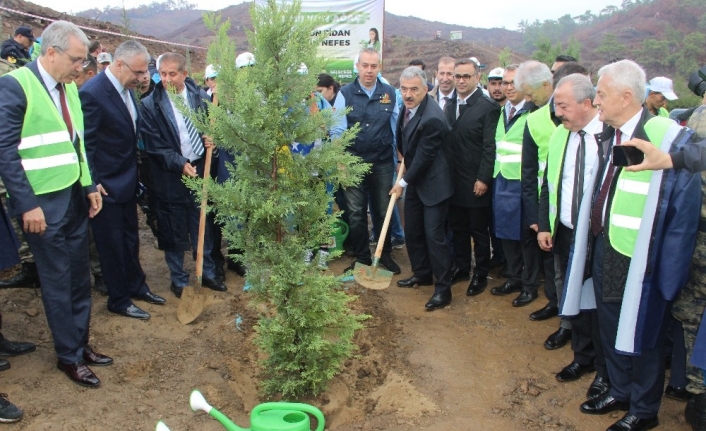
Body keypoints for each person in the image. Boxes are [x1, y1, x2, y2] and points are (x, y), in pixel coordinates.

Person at [561, 59, 700, 431]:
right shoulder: (613, 132)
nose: (597, 101)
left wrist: (673, 159)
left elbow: (692, 175)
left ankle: (643, 409)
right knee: (610, 324)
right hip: (608, 246)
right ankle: (619, 390)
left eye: (602, 94)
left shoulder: (662, 131)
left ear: (626, 96)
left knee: (644, 334)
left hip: (643, 257)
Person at [0, 20, 112, 388]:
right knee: (57, 279)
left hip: (73, 198)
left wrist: (89, 184)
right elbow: (5, 151)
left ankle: (81, 344)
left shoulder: (69, 89)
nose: (82, 67)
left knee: (80, 275)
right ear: (51, 53)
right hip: (41, 205)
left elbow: (76, 143)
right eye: (77, 59)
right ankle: (68, 356)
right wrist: (26, 204)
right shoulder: (16, 86)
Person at [80, 40, 166, 320]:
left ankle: (136, 286)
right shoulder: (93, 93)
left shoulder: (128, 92)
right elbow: (85, 144)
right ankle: (118, 298)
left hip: (127, 181)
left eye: (145, 73)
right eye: (138, 72)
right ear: (118, 64)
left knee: (130, 239)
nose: (142, 78)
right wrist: (92, 182)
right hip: (105, 186)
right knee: (111, 245)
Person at [537, 73, 609, 402]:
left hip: (600, 236)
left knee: (603, 305)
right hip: (566, 232)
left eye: (563, 106)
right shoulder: (560, 136)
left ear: (587, 103)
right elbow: (549, 183)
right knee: (575, 295)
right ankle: (582, 357)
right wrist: (546, 224)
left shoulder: (609, 138)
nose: (559, 114)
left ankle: (607, 372)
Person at [140, 52, 227, 298]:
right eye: (162, 74)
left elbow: (214, 129)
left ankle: (207, 272)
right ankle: (178, 279)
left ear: (184, 74)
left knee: (203, 222)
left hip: (200, 168)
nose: (166, 79)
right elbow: (154, 145)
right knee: (173, 226)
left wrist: (212, 139)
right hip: (170, 175)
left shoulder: (199, 98)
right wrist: (179, 163)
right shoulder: (151, 105)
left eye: (172, 74)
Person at [393, 66, 453, 310]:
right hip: (417, 180)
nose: (408, 94)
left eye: (414, 89)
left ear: (426, 89)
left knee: (434, 236)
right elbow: (405, 145)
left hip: (435, 184)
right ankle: (422, 273)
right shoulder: (406, 108)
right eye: (404, 89)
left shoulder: (433, 119)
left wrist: (402, 183)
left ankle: (443, 289)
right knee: (413, 230)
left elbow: (425, 157)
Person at [338, 48, 401, 276]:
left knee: (383, 211)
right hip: (352, 163)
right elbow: (337, 130)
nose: (369, 70)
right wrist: (340, 160)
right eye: (365, 65)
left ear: (379, 67)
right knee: (355, 213)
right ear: (358, 66)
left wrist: (399, 156)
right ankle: (363, 258)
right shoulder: (345, 93)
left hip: (382, 163)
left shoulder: (390, 93)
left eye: (373, 66)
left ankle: (384, 254)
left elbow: (396, 127)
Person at [444, 58, 499, 296]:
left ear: (478, 77)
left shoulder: (488, 107)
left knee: (479, 230)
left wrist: (484, 178)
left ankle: (481, 273)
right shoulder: (449, 104)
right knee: (458, 228)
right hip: (453, 180)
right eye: (458, 76)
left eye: (466, 76)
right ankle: (462, 266)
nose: (461, 81)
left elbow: (490, 147)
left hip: (476, 180)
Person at [492, 64, 534, 300]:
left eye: (513, 83)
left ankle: (529, 286)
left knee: (525, 236)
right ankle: (514, 277)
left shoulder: (533, 112)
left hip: (522, 182)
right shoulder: (502, 111)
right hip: (502, 179)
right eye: (505, 83)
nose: (508, 87)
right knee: (506, 231)